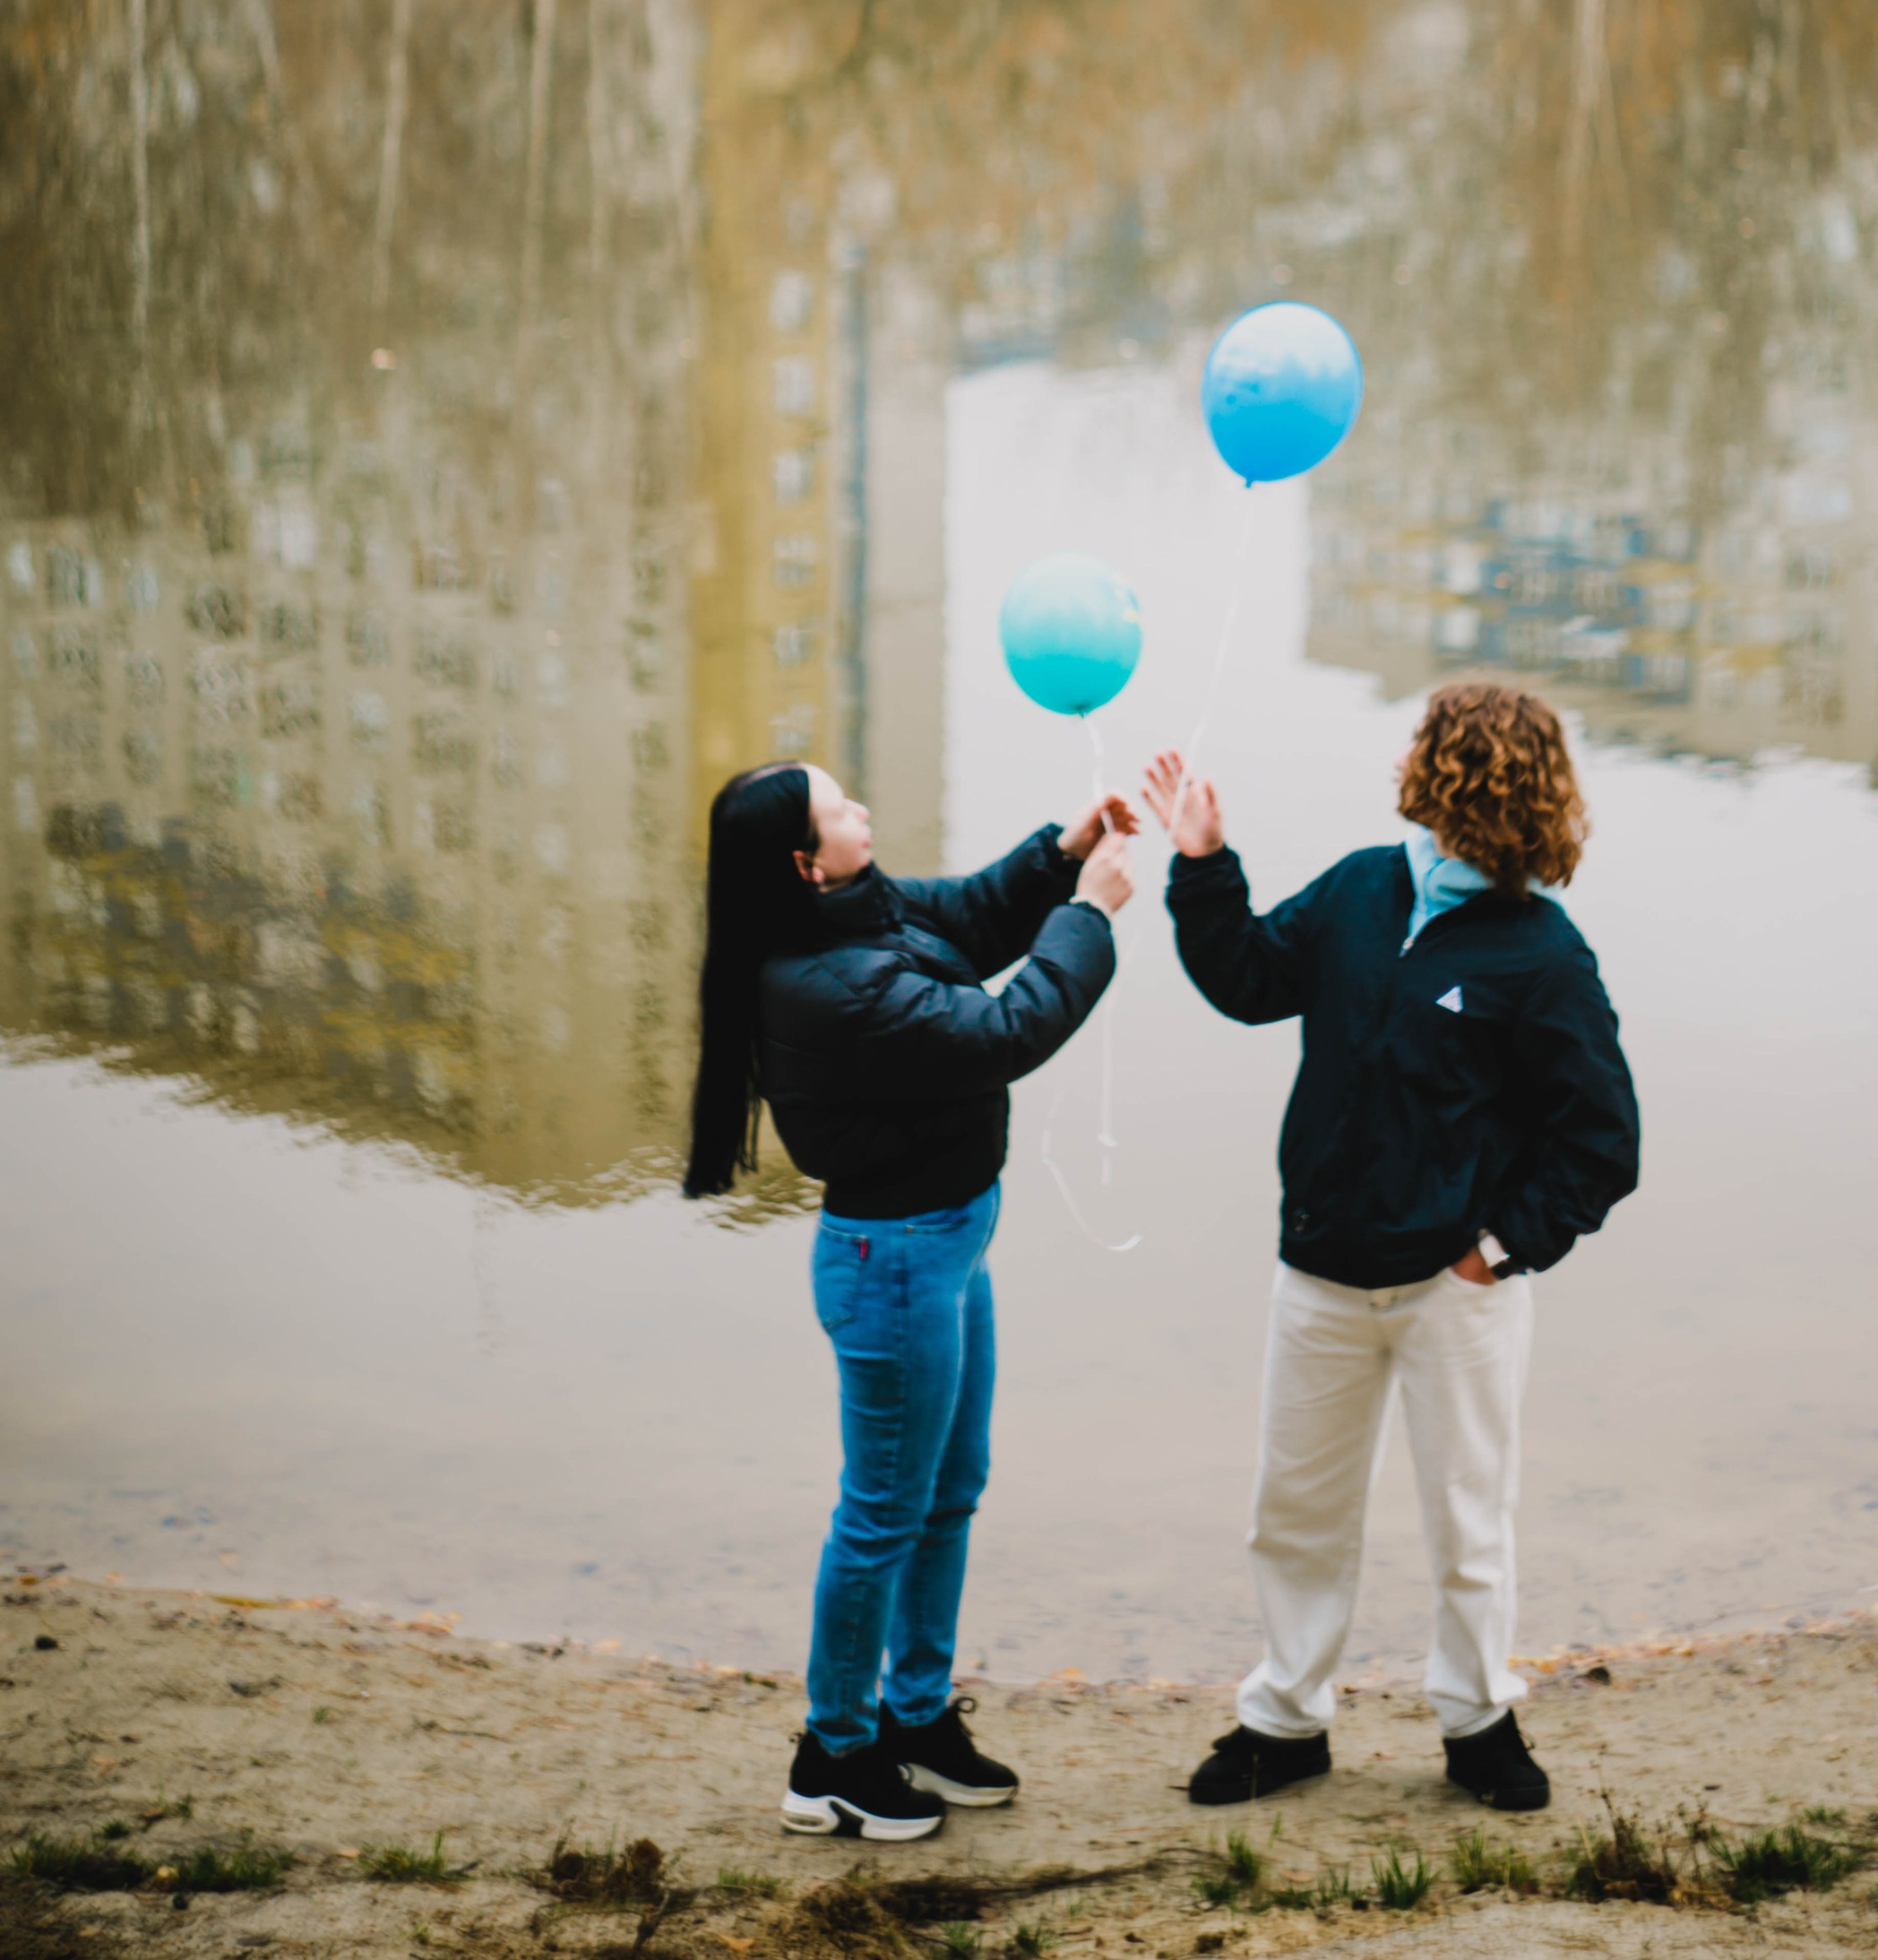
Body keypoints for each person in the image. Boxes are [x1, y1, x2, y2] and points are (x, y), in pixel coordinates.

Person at [1144, 677, 1638, 1817]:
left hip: (1455, 1291)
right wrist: (1204, 863)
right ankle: (1284, 1722)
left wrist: (1496, 1251)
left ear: (1457, 776)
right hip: (1318, 1272)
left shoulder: (1542, 955)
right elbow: (1249, 982)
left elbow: (1602, 1141)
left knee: (1468, 1523)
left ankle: (1478, 1722)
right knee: (1294, 1513)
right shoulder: (1362, 888)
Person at [684, 758, 1136, 1843]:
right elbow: (1002, 1034)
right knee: (883, 1510)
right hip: (893, 1263)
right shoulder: (828, 982)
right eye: (839, 808)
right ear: (805, 862)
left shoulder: (860, 909)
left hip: (947, 1243)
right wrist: (1088, 918)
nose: (861, 811)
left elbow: (970, 919)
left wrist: (1062, 854)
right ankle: (834, 1754)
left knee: (948, 1490)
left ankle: (916, 1715)